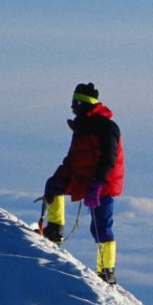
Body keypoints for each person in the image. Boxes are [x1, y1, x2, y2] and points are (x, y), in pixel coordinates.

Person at [42, 82, 125, 284]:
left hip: (103, 183)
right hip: (84, 177)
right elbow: (73, 158)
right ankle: (55, 231)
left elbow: (109, 158)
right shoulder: (83, 127)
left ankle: (107, 271)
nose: (72, 107)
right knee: (53, 187)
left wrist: (97, 185)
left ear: (81, 103)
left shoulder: (106, 127)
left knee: (101, 225)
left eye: (74, 103)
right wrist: (59, 177)